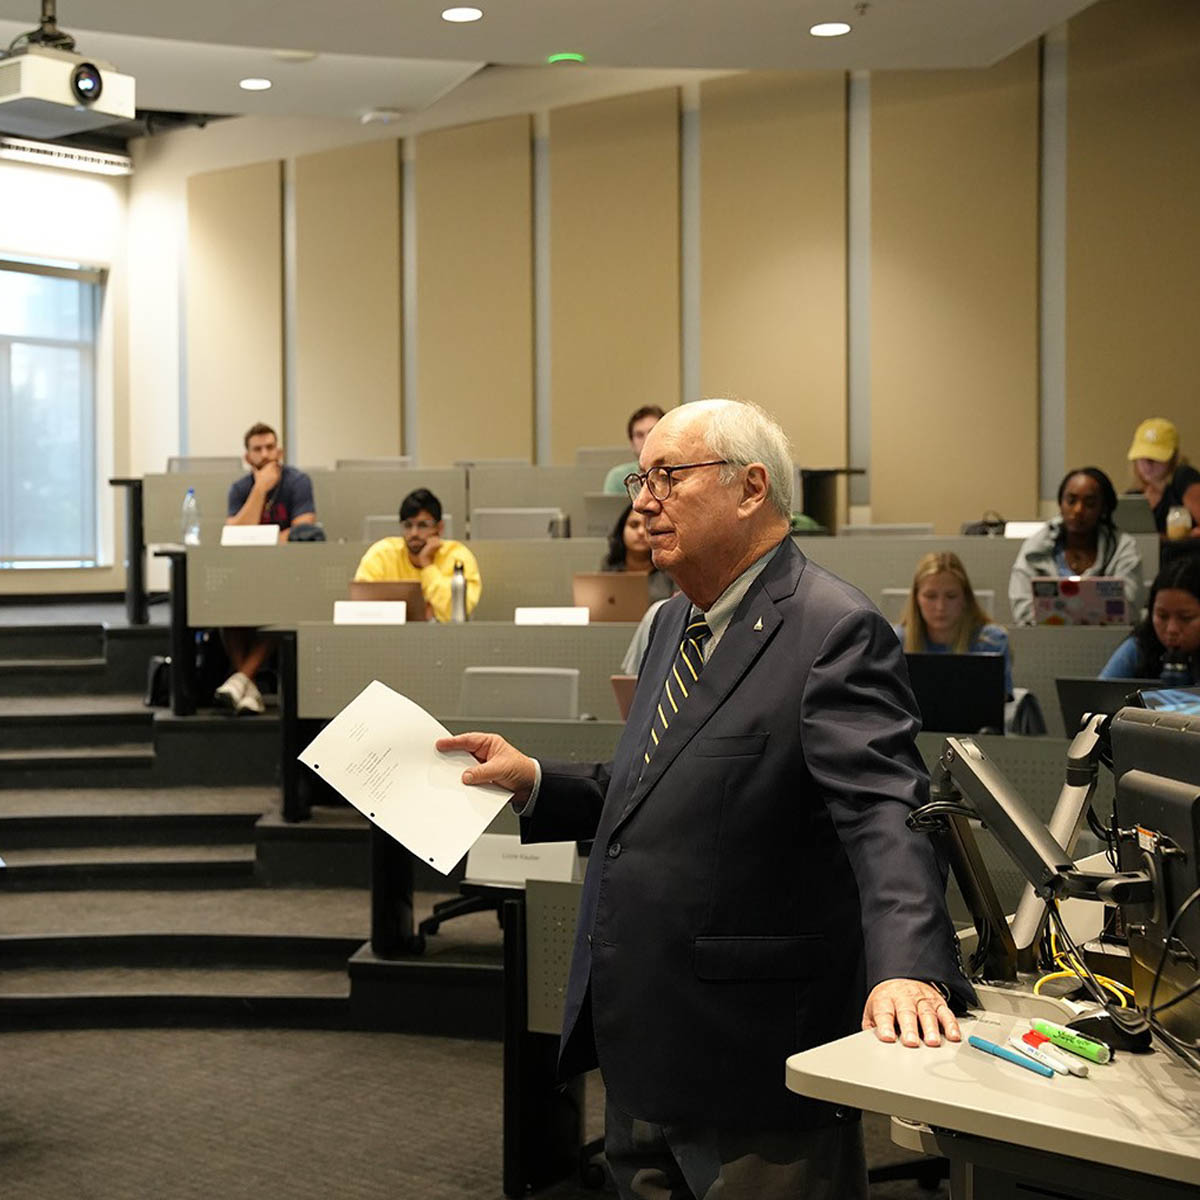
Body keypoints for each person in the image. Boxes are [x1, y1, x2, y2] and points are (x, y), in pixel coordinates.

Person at [438, 399, 972, 1200]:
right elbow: (651, 786)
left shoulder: (833, 628)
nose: (642, 499)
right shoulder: (667, 625)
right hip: (642, 1038)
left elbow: (884, 815)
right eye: (638, 478)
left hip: (751, 1058)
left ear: (751, 488)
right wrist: (538, 780)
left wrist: (907, 970)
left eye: (667, 476)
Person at [216, 422, 318, 715]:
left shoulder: (298, 482)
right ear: (248, 457)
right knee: (224, 606)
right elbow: (232, 535)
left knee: (284, 605)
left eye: (270, 447)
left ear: (280, 451)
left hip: (289, 573)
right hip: (246, 572)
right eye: (257, 449)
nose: (265, 454)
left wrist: (255, 537)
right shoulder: (240, 489)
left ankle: (241, 680)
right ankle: (249, 689)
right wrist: (260, 488)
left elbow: (303, 530)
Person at [1008, 466, 1145, 625]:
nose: (1078, 510)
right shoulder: (1035, 548)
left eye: (1090, 503)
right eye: (1071, 501)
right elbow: (1021, 609)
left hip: (1108, 642)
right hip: (1047, 641)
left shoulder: (1123, 548)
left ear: (1103, 508)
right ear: (1060, 504)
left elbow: (1131, 608)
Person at [353, 488, 481, 622]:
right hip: (389, 639)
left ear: (439, 528)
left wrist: (427, 564)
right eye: (408, 525)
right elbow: (361, 612)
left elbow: (455, 616)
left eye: (423, 525)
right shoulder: (382, 555)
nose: (414, 533)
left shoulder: (458, 557)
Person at [895, 551, 1013, 697]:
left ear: (965, 598)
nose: (940, 606)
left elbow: (999, 705)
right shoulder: (896, 642)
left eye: (951, 596)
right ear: (916, 599)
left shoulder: (991, 641)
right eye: (930, 596)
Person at [1100, 558, 1200, 683]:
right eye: (1162, 616)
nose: (1171, 629)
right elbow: (1100, 694)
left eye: (1186, 618)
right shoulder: (1139, 647)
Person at [1126, 417, 1200, 537]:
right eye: (1142, 457)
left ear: (1173, 459)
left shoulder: (1183, 478)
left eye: (1155, 457)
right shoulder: (1132, 497)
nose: (1147, 464)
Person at [601, 503, 674, 605]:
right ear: (622, 530)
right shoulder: (609, 569)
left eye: (647, 525)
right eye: (634, 525)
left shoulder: (670, 572)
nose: (640, 532)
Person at [601, 405, 665, 495]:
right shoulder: (618, 477)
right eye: (639, 435)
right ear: (632, 443)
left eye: (652, 432)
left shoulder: (680, 474)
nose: (647, 439)